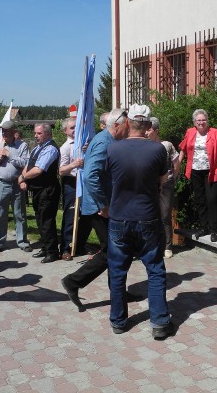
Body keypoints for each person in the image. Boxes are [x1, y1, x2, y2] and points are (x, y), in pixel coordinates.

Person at [106, 104, 172, 339]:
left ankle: (118, 320)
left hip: (120, 216)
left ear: (128, 123)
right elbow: (163, 180)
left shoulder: (113, 149)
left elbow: (108, 178)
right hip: (147, 216)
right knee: (155, 269)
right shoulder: (157, 150)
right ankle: (159, 322)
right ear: (147, 125)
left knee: (117, 270)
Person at [60, 108, 129, 311]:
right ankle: (74, 281)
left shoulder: (108, 140)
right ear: (116, 125)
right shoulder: (103, 142)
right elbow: (90, 176)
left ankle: (117, 292)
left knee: (115, 250)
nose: (128, 129)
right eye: (126, 125)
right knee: (112, 250)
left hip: (103, 205)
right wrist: (102, 205)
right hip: (98, 208)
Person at [178, 109, 217, 241]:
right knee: (200, 200)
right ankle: (204, 227)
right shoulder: (190, 132)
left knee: (212, 200)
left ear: (207, 120)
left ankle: (214, 229)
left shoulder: (215, 133)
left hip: (211, 172)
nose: (201, 122)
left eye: (203, 120)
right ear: (194, 122)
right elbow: (183, 149)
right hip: (195, 171)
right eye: (198, 120)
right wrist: (177, 165)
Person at [19, 123, 61, 263]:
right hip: (37, 189)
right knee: (39, 218)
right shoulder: (37, 148)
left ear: (48, 134)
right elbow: (29, 165)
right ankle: (45, 247)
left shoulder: (50, 149)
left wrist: (23, 177)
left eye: (39, 133)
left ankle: (53, 251)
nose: (36, 136)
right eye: (35, 133)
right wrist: (23, 179)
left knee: (47, 220)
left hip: (47, 189)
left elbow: (39, 169)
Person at [0, 123, 30, 254]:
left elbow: (25, 163)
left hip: (16, 184)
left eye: (7, 132)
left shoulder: (22, 146)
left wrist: (10, 155)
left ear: (13, 132)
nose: (4, 135)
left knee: (20, 214)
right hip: (1, 183)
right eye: (3, 132)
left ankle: (22, 241)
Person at [147, 117, 180, 258]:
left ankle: (167, 246)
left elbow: (176, 162)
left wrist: (174, 178)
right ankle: (152, 244)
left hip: (166, 184)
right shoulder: (143, 146)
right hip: (149, 184)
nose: (146, 133)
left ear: (156, 131)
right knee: (149, 214)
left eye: (149, 130)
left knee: (165, 214)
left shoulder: (166, 145)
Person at [58, 117, 90, 260]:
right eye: (71, 128)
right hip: (71, 183)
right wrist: (74, 164)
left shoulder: (83, 144)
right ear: (65, 131)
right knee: (70, 216)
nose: (75, 130)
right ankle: (65, 248)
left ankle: (80, 245)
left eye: (76, 127)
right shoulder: (65, 147)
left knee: (87, 215)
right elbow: (61, 170)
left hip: (84, 182)